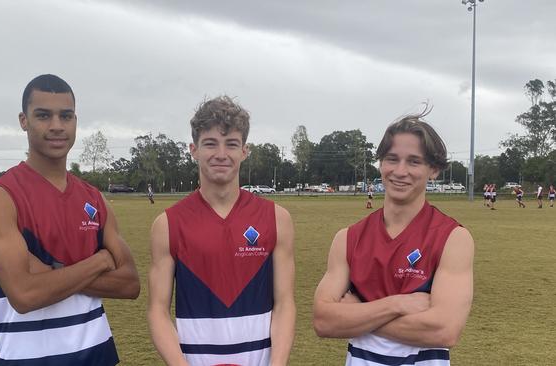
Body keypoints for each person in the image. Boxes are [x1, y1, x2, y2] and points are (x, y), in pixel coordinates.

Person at [0, 74, 140, 365]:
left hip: (99, 355)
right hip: (28, 360)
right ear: (23, 121)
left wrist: (53, 274)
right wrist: (100, 262)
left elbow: (129, 285)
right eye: (43, 115)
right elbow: (25, 295)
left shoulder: (94, 198)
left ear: (75, 120)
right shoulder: (0, 197)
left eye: (65, 116)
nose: (56, 126)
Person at [313, 111, 474, 365]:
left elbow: (444, 330)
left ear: (434, 170)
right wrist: (397, 305)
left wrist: (356, 313)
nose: (400, 171)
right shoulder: (348, 238)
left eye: (414, 162)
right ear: (380, 163)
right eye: (392, 159)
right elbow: (323, 321)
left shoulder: (453, 238)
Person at [147, 96, 296, 366]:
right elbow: (157, 310)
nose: (221, 154)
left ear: (245, 151)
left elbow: (284, 304)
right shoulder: (167, 224)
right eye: (210, 144)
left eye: (231, 144)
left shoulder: (276, 218)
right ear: (193, 149)